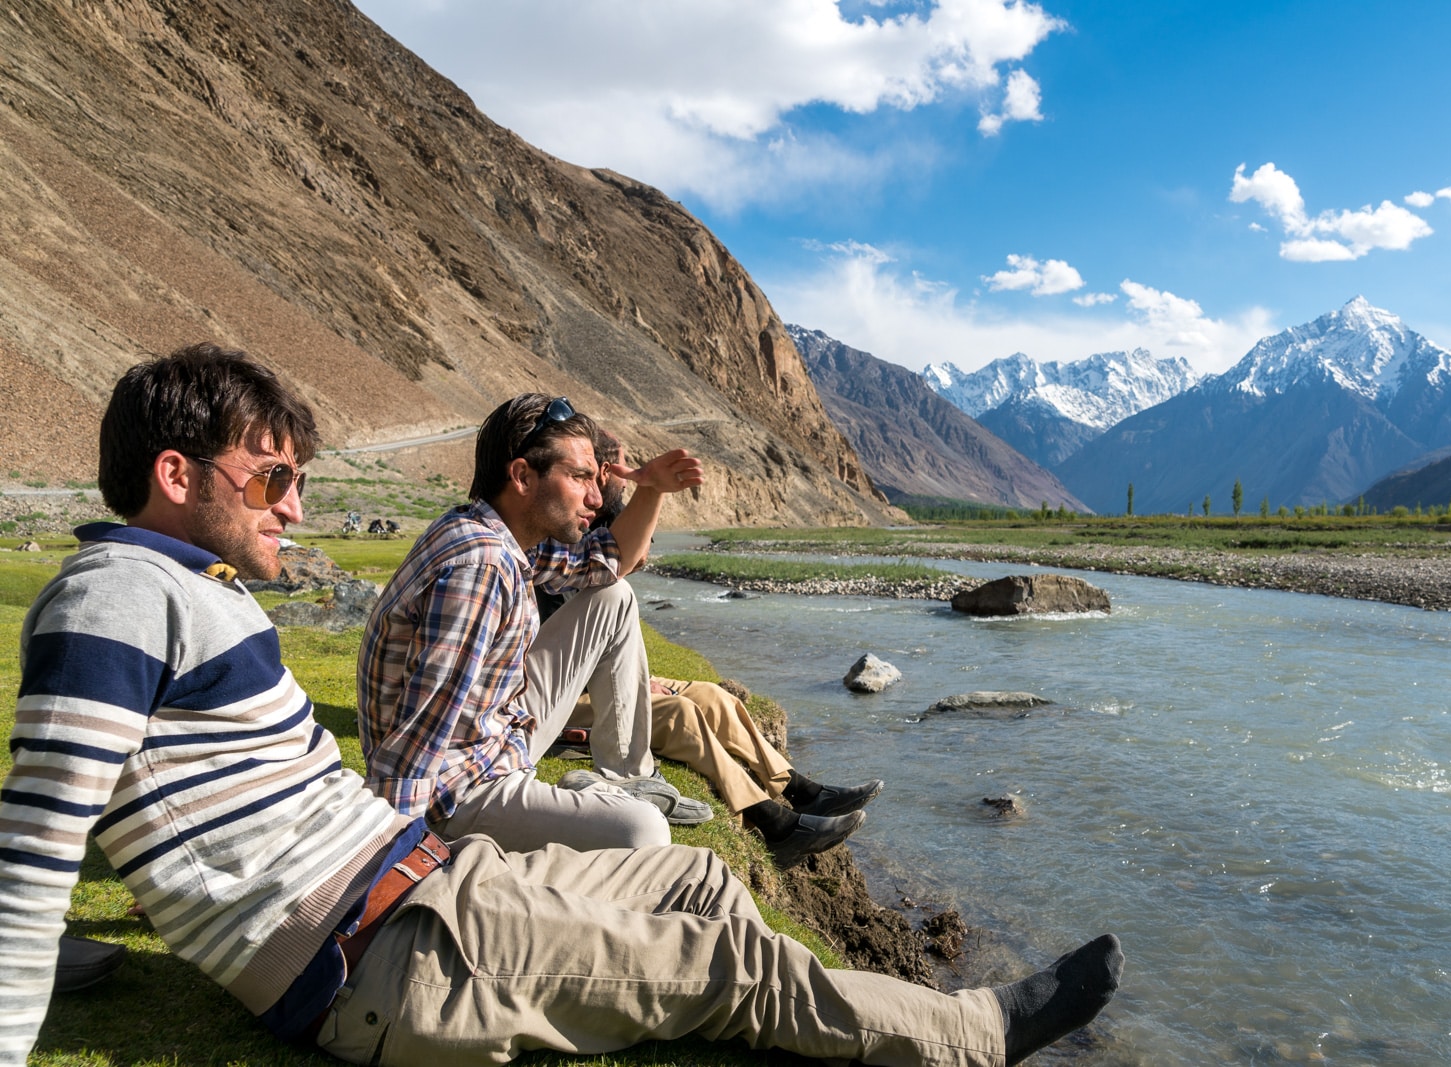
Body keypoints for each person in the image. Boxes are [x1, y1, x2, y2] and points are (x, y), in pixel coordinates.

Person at [1, 344, 1125, 1067]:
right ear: (176, 474)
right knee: (724, 959)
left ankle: (791, 1012)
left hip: (417, 879)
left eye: (297, 478)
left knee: (691, 874)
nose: (296, 505)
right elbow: (31, 858)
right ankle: (970, 1034)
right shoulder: (114, 599)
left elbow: (599, 581)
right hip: (380, 951)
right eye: (272, 479)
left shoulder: (202, 596)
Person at [357, 393, 708, 852]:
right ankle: (593, 805)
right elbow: (418, 735)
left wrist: (653, 488)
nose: (596, 497)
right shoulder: (479, 568)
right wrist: (390, 853)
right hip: (459, 791)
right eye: (580, 477)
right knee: (643, 832)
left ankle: (623, 779)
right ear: (522, 476)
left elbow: (609, 562)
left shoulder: (502, 532)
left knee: (613, 596)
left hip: (495, 730)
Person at [546, 429, 884, 865]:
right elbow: (552, 661)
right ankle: (770, 823)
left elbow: (608, 602)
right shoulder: (546, 552)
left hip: (586, 681)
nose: (602, 488)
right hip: (558, 701)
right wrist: (631, 689)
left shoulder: (568, 546)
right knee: (680, 712)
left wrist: (641, 680)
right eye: (589, 475)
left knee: (713, 696)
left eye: (599, 475)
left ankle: (798, 791)